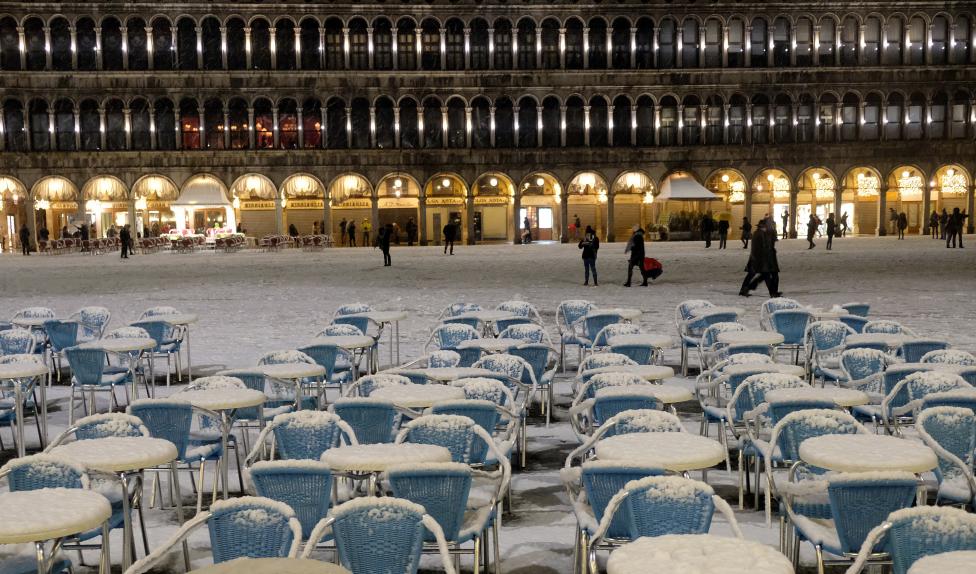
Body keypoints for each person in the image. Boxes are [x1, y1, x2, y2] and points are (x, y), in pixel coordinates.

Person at [740, 219, 782, 297]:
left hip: (760, 259)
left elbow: (768, 245)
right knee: (763, 276)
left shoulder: (762, 233)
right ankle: (772, 292)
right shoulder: (760, 234)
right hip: (759, 259)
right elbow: (760, 248)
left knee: (761, 276)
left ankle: (745, 289)